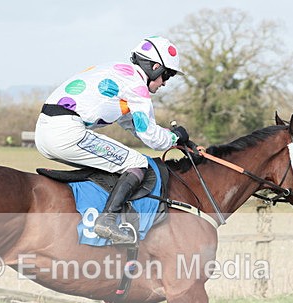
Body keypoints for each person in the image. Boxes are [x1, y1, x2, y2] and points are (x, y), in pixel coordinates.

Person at [35, 36, 190, 243]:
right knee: (137, 163)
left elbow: (133, 124)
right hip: (67, 132)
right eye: (166, 76)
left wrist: (172, 140)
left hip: (45, 133)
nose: (164, 83)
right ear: (155, 67)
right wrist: (175, 136)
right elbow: (151, 137)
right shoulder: (137, 87)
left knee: (117, 163)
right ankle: (107, 220)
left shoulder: (117, 71)